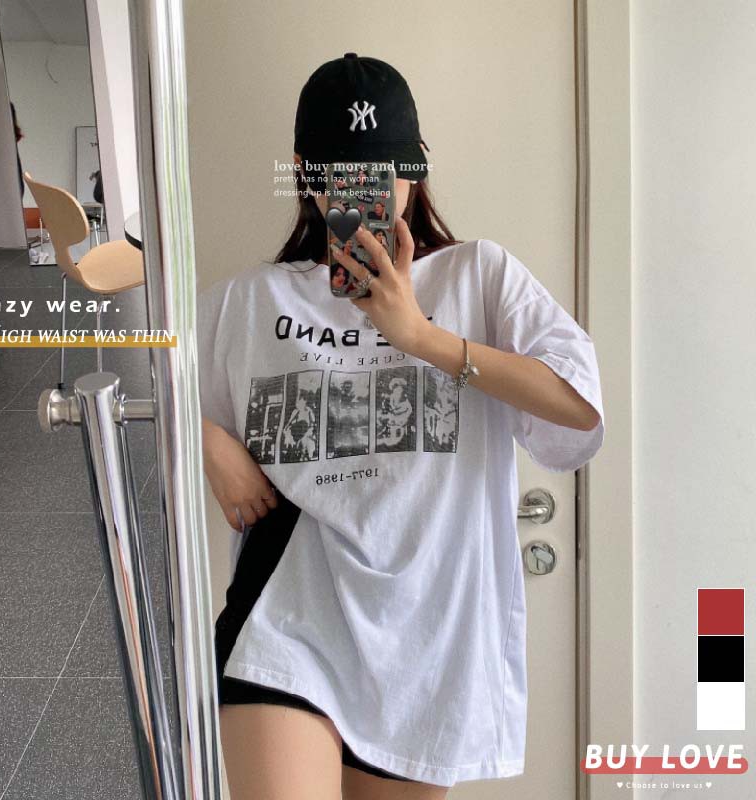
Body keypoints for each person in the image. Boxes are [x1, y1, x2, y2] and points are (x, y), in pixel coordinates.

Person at [199, 53, 605, 798]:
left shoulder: (480, 277)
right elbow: (140, 377)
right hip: (284, 627)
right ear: (307, 174)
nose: (369, 191)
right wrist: (207, 441)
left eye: (386, 168)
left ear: (417, 166)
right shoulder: (248, 301)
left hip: (428, 649)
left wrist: (420, 336)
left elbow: (578, 404)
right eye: (343, 171)